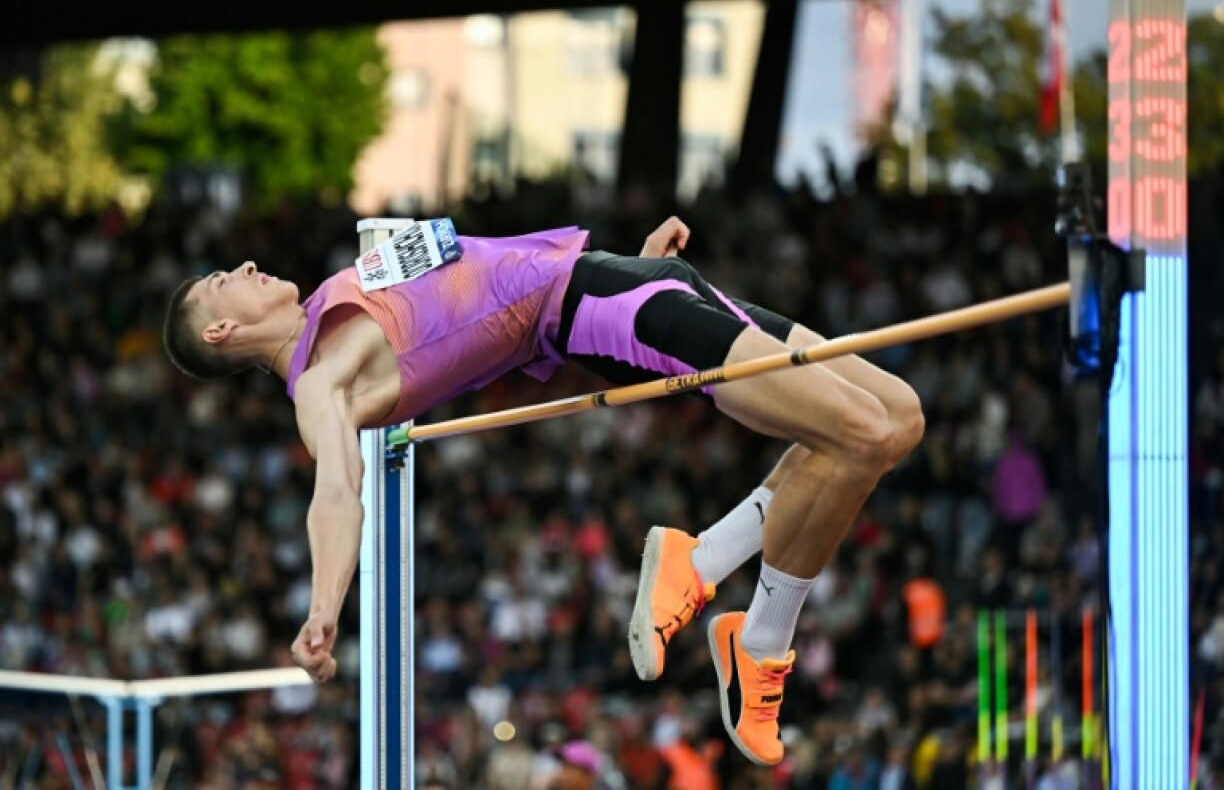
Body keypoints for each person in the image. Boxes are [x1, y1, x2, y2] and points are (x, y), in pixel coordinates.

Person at [161, 217, 924, 766]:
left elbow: (488, 274)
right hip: (606, 308)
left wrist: (636, 266)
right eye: (224, 282)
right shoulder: (319, 378)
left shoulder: (339, 288)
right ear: (222, 332)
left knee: (898, 418)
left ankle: (701, 563)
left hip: (622, 278)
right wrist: (324, 608)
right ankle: (758, 642)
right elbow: (337, 489)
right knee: (857, 435)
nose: (246, 267)